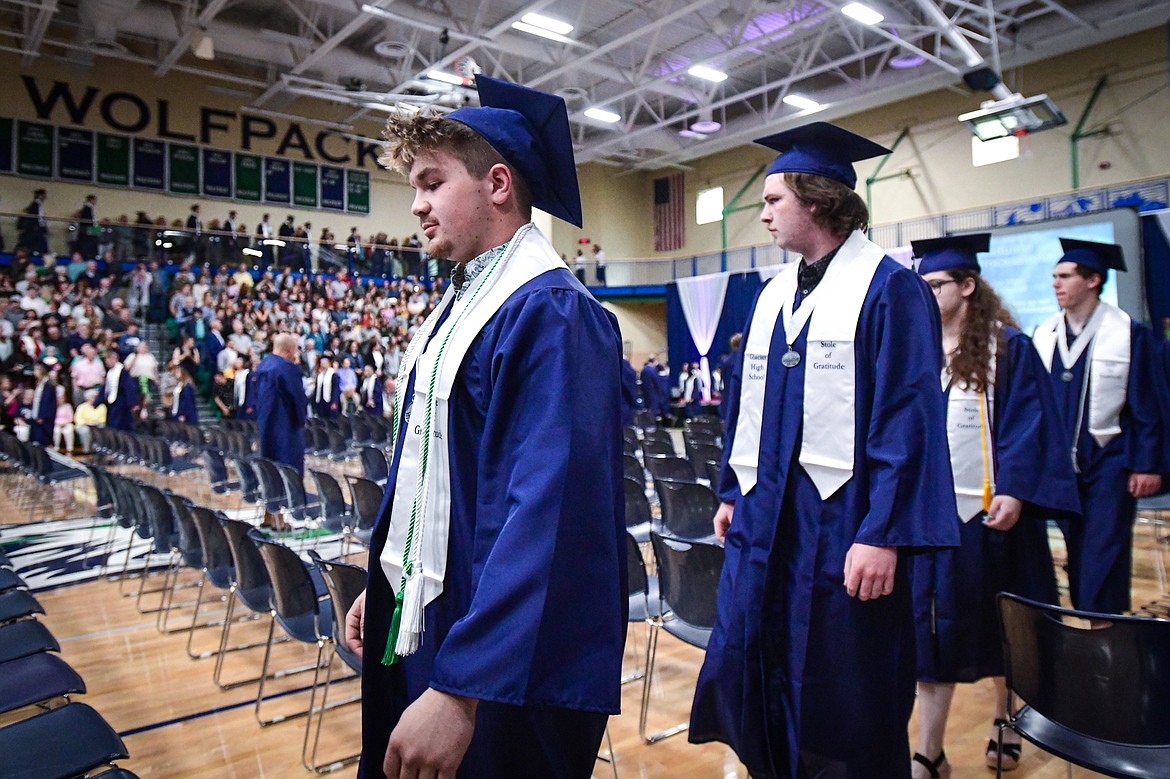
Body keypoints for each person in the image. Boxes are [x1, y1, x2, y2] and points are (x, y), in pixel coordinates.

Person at [344, 75, 626, 779]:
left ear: (498, 183)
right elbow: (435, 473)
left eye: (432, 183)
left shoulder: (553, 312)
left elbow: (549, 516)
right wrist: (392, 581)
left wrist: (463, 685)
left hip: (502, 657)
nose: (416, 205)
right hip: (443, 616)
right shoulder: (462, 304)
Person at [689, 122, 958, 778]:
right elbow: (745, 405)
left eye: (774, 198)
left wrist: (885, 532)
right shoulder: (774, 294)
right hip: (766, 523)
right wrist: (733, 490)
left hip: (842, 528)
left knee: (844, 690)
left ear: (816, 199)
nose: (764, 212)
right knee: (762, 666)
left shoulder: (891, 291)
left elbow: (908, 417)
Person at [908, 234, 1081, 777]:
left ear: (966, 286)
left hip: (995, 520)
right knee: (931, 637)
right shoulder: (913, 352)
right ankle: (929, 750)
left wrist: (1014, 488)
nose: (926, 293)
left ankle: (1004, 723)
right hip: (932, 525)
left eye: (935, 284)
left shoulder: (1009, 348)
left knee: (1006, 631)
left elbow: (1031, 426)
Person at [1033, 238, 1170, 615]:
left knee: (1103, 550)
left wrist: (1148, 463)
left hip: (1110, 460)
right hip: (1060, 466)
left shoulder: (1128, 332)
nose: (1055, 284)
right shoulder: (1044, 334)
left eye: (1065, 276)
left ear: (1093, 280)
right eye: (1054, 277)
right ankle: (1086, 623)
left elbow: (1149, 403)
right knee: (1075, 551)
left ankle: (1104, 633)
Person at [255, 333, 308, 479]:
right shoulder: (286, 368)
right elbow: (297, 398)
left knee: (270, 468)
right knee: (290, 471)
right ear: (289, 349)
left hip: (265, 423)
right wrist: (302, 419)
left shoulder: (262, 365)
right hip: (286, 425)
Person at [30, 363, 56, 445]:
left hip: (45, 417)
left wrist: (41, 416)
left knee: (44, 439)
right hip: (37, 415)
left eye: (36, 370)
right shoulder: (39, 384)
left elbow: (45, 401)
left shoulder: (47, 385)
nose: (34, 372)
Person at [73, 388, 106, 453]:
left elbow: (104, 418)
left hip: (97, 425)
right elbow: (78, 419)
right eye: (92, 397)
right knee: (85, 431)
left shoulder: (102, 406)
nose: (94, 398)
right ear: (87, 398)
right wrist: (86, 422)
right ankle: (87, 450)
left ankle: (101, 449)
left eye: (95, 397)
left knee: (101, 428)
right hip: (84, 425)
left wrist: (99, 421)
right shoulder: (81, 407)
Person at [52, 386, 74, 453]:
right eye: (59, 398)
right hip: (57, 424)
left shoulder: (68, 406)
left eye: (62, 398)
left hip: (66, 423)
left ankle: (70, 449)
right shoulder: (54, 407)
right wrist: (58, 423)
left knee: (69, 430)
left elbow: (71, 417)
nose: (60, 400)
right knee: (56, 431)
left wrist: (65, 423)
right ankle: (56, 447)